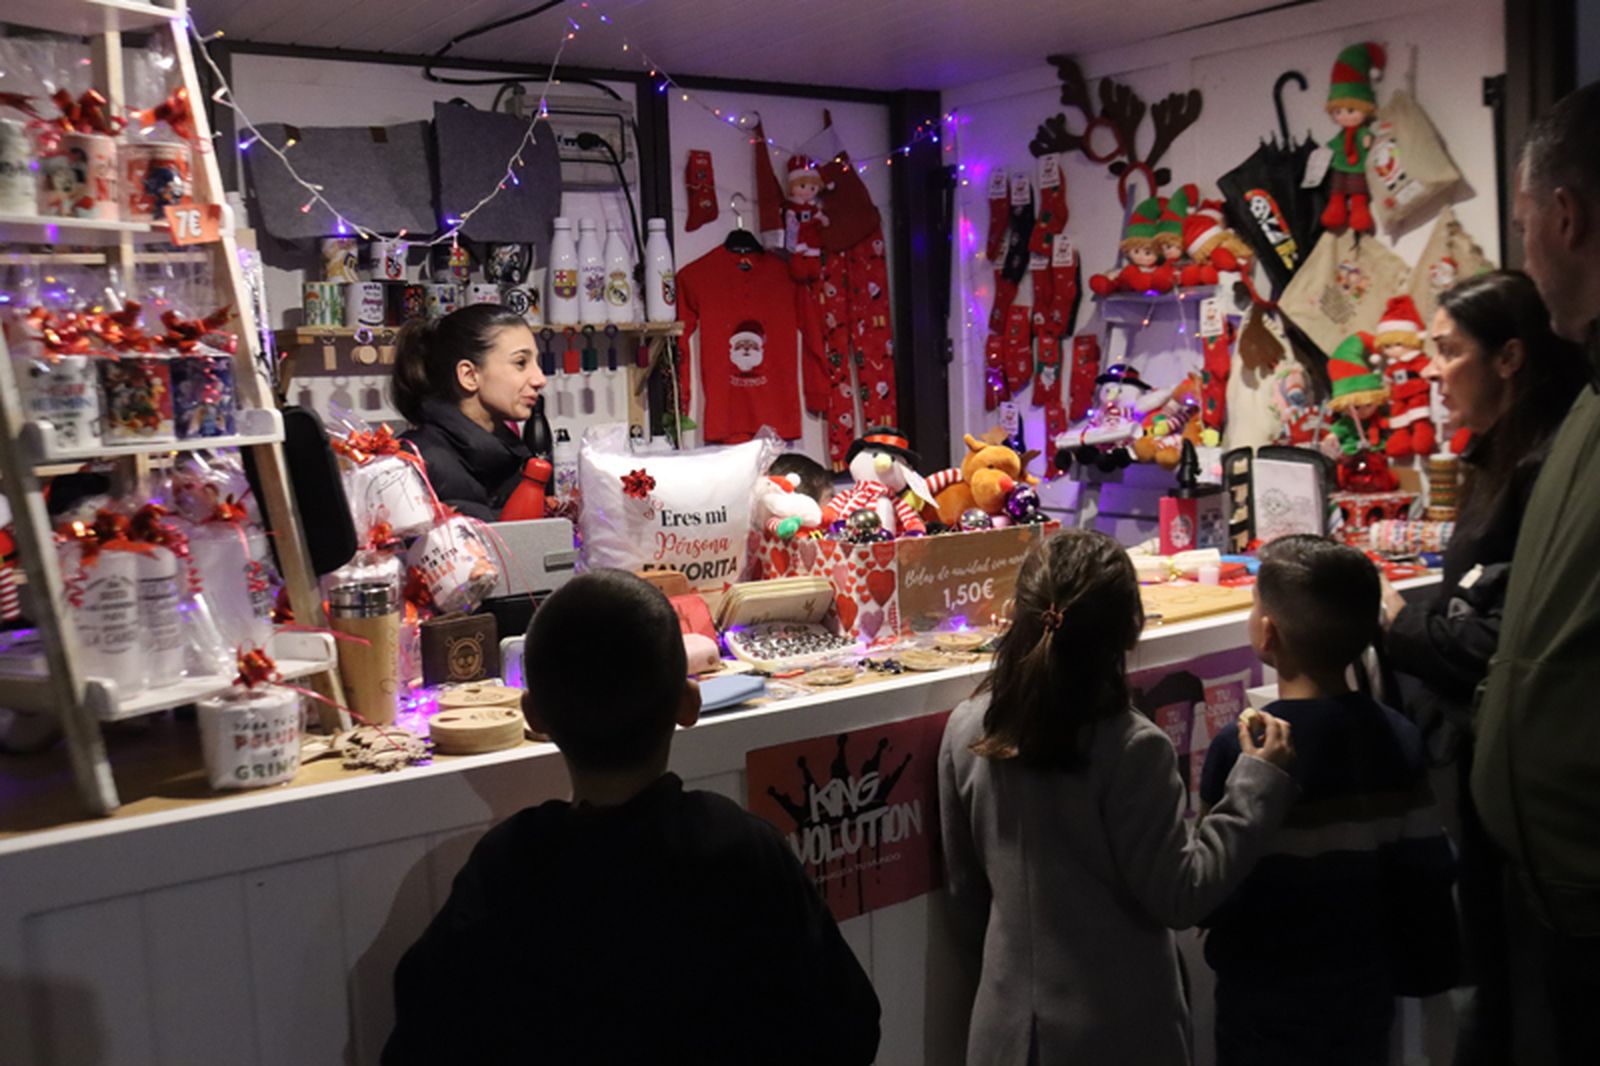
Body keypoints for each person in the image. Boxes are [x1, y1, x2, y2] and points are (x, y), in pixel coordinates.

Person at [383, 570, 880, 1064]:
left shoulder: (507, 866)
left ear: (534, 717)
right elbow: (848, 1024)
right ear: (688, 705)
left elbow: (421, 1036)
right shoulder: (743, 849)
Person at [939, 529, 1297, 1065]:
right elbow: (1182, 896)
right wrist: (1254, 786)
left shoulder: (967, 727)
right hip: (1120, 1029)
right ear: (1129, 632)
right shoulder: (1133, 747)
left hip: (1004, 1030)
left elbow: (966, 894)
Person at [1375, 271, 1586, 1064]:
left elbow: (1492, 636)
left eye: (1448, 350)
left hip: (1522, 791)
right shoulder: (1498, 455)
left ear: (1509, 358)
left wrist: (1403, 621)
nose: (1432, 368)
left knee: (1516, 998)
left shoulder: (1542, 470)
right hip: (1488, 778)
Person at [1202, 536, 1457, 1066]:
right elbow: (1423, 868)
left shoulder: (1241, 745)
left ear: (1266, 632)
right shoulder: (1399, 736)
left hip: (1262, 992)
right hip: (1364, 985)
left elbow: (1216, 877)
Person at [1472, 80, 1600, 1066]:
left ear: (1566, 216)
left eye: (1523, 227)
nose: (1524, 256)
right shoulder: (1589, 401)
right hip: (1549, 905)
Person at [391, 303, 546, 520]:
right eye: (521, 363)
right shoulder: (413, 463)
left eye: (536, 363)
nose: (540, 379)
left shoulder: (510, 457)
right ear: (469, 376)